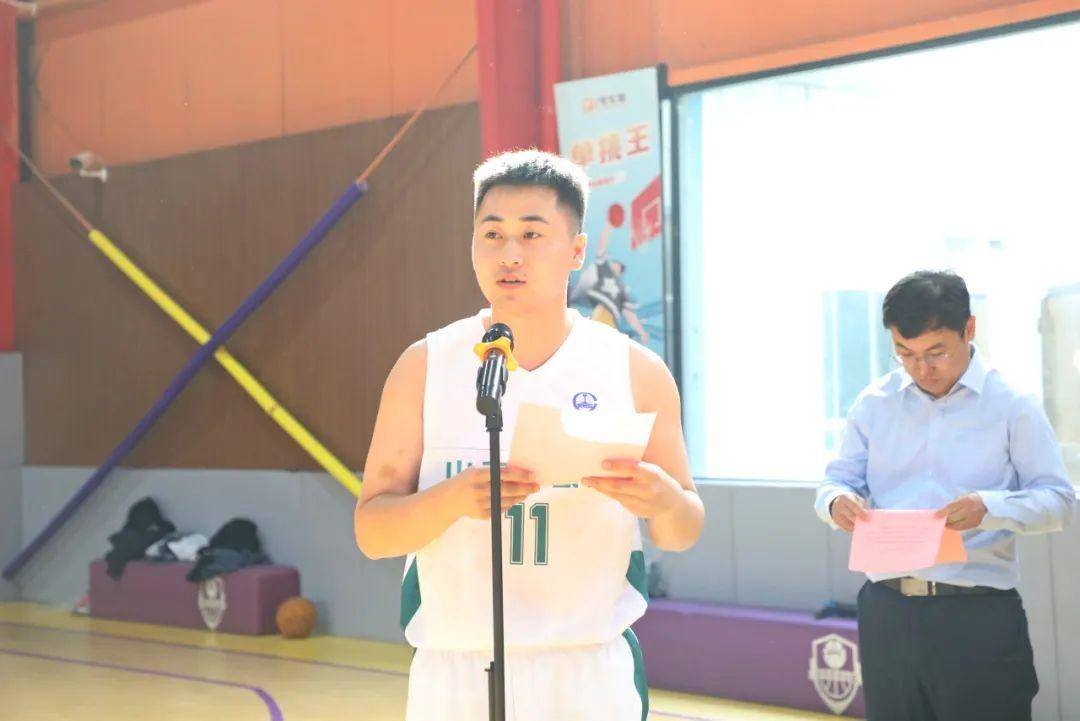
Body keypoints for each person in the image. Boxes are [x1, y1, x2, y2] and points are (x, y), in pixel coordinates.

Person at [354, 149, 704, 721]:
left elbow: (683, 528)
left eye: (532, 234)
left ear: (576, 250)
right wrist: (453, 499)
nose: (509, 254)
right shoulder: (425, 365)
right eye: (492, 234)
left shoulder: (635, 370)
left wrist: (663, 500)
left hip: (586, 673)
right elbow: (372, 531)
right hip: (456, 670)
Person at [815, 270, 1076, 721]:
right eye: (905, 353)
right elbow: (835, 483)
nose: (922, 368)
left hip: (976, 616)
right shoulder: (873, 404)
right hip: (887, 613)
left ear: (969, 329)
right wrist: (837, 503)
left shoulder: (1012, 405)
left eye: (936, 352)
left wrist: (989, 508)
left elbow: (1059, 501)